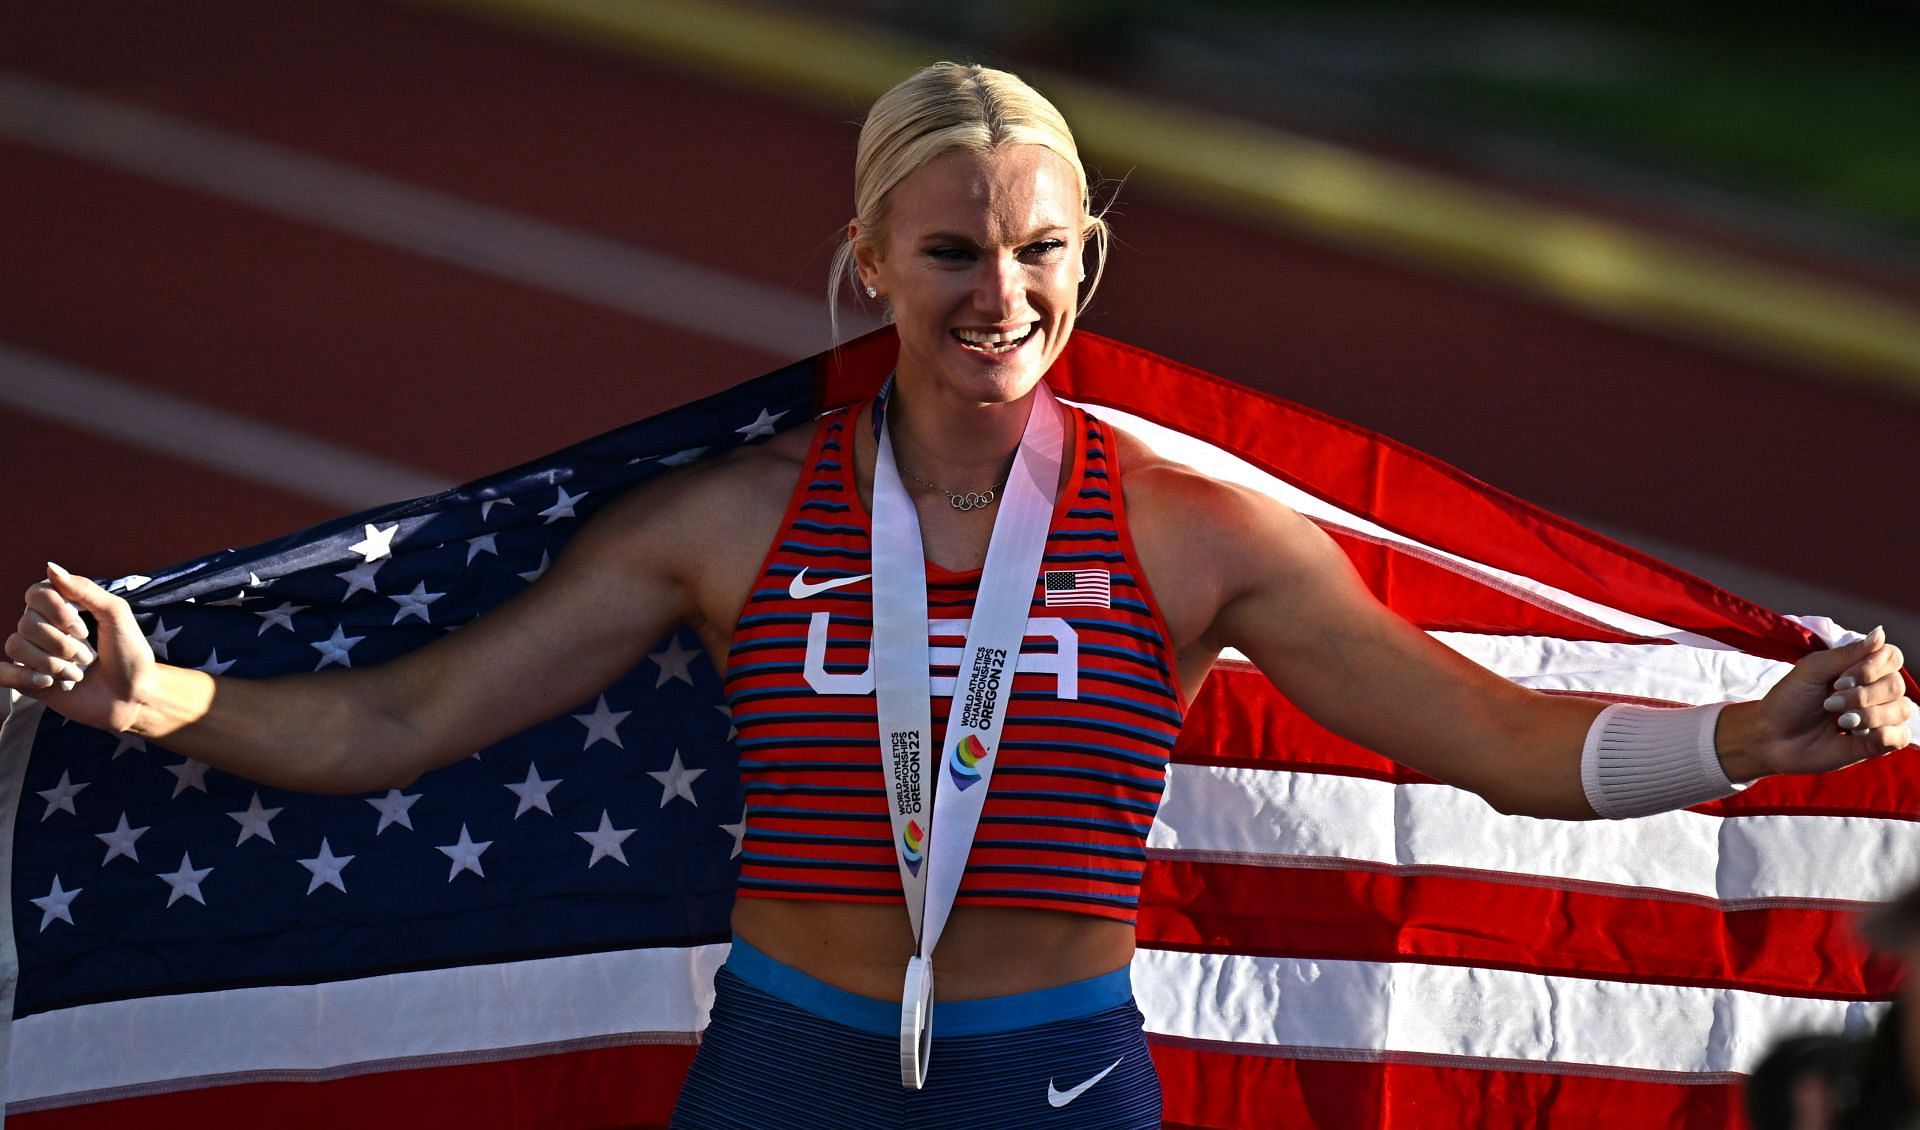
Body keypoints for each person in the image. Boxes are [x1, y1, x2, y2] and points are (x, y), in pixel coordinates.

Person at [5, 62, 1915, 1128]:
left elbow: (1494, 746)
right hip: (782, 1057)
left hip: (1060, 1075)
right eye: (948, 251)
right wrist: (155, 698)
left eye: (1036, 251)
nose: (996, 297)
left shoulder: (1193, 534)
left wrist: (1751, 736)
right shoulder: (731, 523)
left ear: (1091, 256)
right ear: (866, 256)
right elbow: (412, 717)